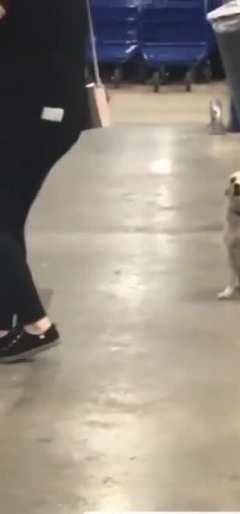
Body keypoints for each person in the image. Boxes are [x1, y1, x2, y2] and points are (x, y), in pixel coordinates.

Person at [0, 0, 88, 362]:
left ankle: (37, 324)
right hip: (44, 107)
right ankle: (5, 324)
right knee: (8, 215)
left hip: (39, 112)